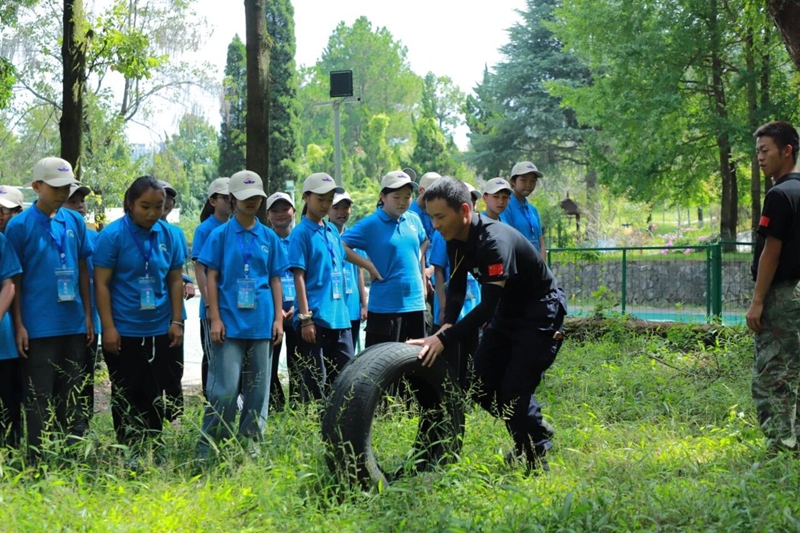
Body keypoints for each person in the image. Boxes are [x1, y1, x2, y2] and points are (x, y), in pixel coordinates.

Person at [409, 177, 567, 474]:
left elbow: (487, 306)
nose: (436, 224)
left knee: (513, 392)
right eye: (432, 217)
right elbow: (455, 289)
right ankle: (535, 430)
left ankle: (536, 458)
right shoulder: (453, 240)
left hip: (539, 311)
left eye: (441, 216)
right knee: (480, 387)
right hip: (508, 308)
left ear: (465, 211)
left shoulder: (494, 241)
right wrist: (444, 326)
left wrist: (445, 340)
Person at [5, 157, 95, 456]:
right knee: (39, 396)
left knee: (73, 394)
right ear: (36, 186)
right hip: (38, 325)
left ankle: (72, 458)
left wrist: (87, 316)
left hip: (73, 323)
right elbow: (14, 279)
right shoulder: (19, 226)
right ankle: (37, 460)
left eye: (66, 187)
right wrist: (19, 325)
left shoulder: (75, 221)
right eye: (55, 187)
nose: (62, 193)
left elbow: (83, 269)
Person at [197, 170, 287, 457]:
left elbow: (274, 279)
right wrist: (215, 319)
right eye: (245, 197)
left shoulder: (269, 237)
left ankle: (251, 448)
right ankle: (211, 448)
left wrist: (278, 319)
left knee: (258, 392)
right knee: (223, 391)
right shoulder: (219, 235)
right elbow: (211, 277)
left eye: (256, 197)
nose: (251, 202)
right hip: (229, 325)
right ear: (233, 199)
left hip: (261, 324)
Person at [93, 176, 185, 449]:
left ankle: (153, 447)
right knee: (126, 391)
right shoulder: (112, 236)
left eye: (158, 206)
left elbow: (175, 279)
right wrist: (108, 328)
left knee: (155, 392)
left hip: (159, 327)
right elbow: (102, 284)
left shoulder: (170, 235)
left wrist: (176, 321)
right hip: (123, 330)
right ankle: (129, 450)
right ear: (130, 204)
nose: (152, 213)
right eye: (145, 206)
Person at [747, 120, 800, 453]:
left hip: (782, 297)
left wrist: (757, 301)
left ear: (787, 151)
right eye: (757, 152)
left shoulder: (779, 195)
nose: (760, 159)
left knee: (773, 375)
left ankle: (781, 448)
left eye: (765, 151)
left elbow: (772, 250)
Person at [342, 170, 428, 347]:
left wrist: (418, 262)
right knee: (382, 366)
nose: (403, 202)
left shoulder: (413, 219)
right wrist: (369, 267)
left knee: (416, 364)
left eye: (407, 196)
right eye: (397, 197)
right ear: (383, 196)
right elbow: (340, 245)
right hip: (386, 307)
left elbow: (425, 240)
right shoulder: (371, 224)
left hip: (416, 303)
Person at [289, 173, 353, 401]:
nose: (326, 205)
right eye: (320, 199)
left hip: (340, 318)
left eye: (329, 200)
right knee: (316, 380)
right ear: (306, 197)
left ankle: (340, 426)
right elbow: (299, 277)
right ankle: (316, 430)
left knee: (347, 377)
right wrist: (305, 318)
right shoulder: (300, 234)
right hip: (315, 319)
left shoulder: (332, 231)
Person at [429, 182, 481, 387]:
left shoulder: (482, 236)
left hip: (473, 306)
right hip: (453, 310)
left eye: (474, 200)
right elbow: (440, 270)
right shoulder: (446, 232)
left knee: (471, 359)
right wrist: (443, 307)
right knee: (450, 361)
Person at [63, 182, 99, 435]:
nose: (79, 206)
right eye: (72, 201)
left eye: (81, 201)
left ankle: (82, 428)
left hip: (88, 319)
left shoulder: (95, 237)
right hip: (54, 321)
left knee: (84, 376)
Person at [192, 177, 232, 397]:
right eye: (225, 197)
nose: (230, 201)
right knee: (213, 354)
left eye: (232, 197)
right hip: (212, 306)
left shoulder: (236, 227)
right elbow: (200, 269)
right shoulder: (205, 229)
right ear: (212, 201)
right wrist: (208, 304)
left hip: (233, 304)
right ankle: (212, 401)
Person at [159, 181, 194, 423]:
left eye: (170, 197)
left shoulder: (176, 234)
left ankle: (175, 418)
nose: (167, 202)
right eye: (163, 197)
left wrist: (187, 280)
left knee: (173, 368)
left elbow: (176, 268)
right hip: (144, 314)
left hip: (173, 312)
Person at [266, 191, 298, 410]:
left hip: (299, 313)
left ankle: (298, 407)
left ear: (293, 212)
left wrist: (299, 307)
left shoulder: (300, 238)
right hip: (271, 315)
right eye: (274, 210)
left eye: (285, 209)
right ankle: (274, 406)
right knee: (269, 364)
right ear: (267, 214)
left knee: (299, 364)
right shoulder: (263, 241)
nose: (280, 214)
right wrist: (276, 310)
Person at [328, 191, 368, 350]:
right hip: (333, 307)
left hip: (352, 307)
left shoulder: (355, 237)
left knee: (349, 356)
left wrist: (364, 304)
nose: (341, 212)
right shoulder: (323, 235)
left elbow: (359, 271)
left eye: (346, 207)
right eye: (336, 207)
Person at [0, 185, 23, 447]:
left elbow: (9, 284)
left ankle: (11, 454)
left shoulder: (2, 242)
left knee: (9, 407)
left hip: (4, 344)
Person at [500, 161, 547, 258]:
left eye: (533, 181)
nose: (528, 184)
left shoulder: (533, 210)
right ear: (513, 181)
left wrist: (543, 268)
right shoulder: (506, 207)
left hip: (536, 268)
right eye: (523, 180)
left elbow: (541, 243)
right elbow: (509, 241)